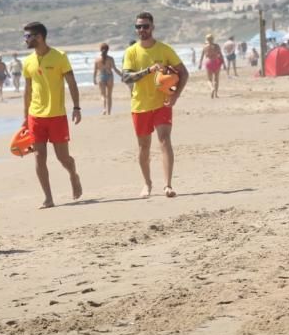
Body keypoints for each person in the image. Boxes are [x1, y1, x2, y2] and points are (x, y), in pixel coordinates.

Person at [123, 12, 188, 198]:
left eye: (145, 26)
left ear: (153, 27)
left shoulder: (164, 49)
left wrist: (175, 96)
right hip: (140, 105)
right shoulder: (132, 52)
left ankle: (168, 185)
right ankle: (147, 184)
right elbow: (126, 77)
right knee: (144, 147)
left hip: (162, 103)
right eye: (138, 27)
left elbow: (184, 73)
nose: (142, 30)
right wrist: (149, 70)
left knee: (164, 140)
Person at [22, 21, 83, 209]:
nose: (25, 40)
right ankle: (48, 198)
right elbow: (27, 90)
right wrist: (25, 118)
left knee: (63, 157)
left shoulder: (60, 57)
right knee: (39, 157)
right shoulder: (28, 61)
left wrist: (76, 107)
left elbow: (72, 83)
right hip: (35, 116)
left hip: (56, 115)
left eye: (28, 36)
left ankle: (73, 175)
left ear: (39, 37)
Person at [93, 43, 123, 115]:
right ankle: (109, 112)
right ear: (108, 50)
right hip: (109, 76)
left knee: (103, 95)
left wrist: (94, 79)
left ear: (100, 50)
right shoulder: (110, 59)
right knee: (109, 95)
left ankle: (104, 109)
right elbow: (115, 69)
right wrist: (122, 75)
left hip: (101, 76)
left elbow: (95, 71)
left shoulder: (97, 59)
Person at [198, 34, 224, 98]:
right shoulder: (217, 46)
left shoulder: (204, 47)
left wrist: (200, 64)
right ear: (213, 39)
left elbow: (201, 57)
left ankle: (212, 88)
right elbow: (221, 55)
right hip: (216, 62)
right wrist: (224, 64)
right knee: (216, 79)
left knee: (209, 80)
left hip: (208, 62)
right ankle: (216, 94)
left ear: (207, 40)